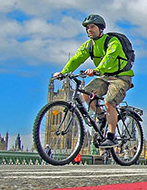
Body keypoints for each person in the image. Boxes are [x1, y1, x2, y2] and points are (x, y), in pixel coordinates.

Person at [53, 14, 134, 148]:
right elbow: (76, 59)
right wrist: (63, 72)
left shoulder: (112, 41)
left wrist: (97, 70)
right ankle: (101, 116)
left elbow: (110, 57)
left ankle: (111, 136)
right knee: (85, 94)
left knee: (109, 102)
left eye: (92, 27)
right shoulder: (89, 45)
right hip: (104, 76)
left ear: (100, 28)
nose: (89, 30)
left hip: (121, 77)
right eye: (87, 28)